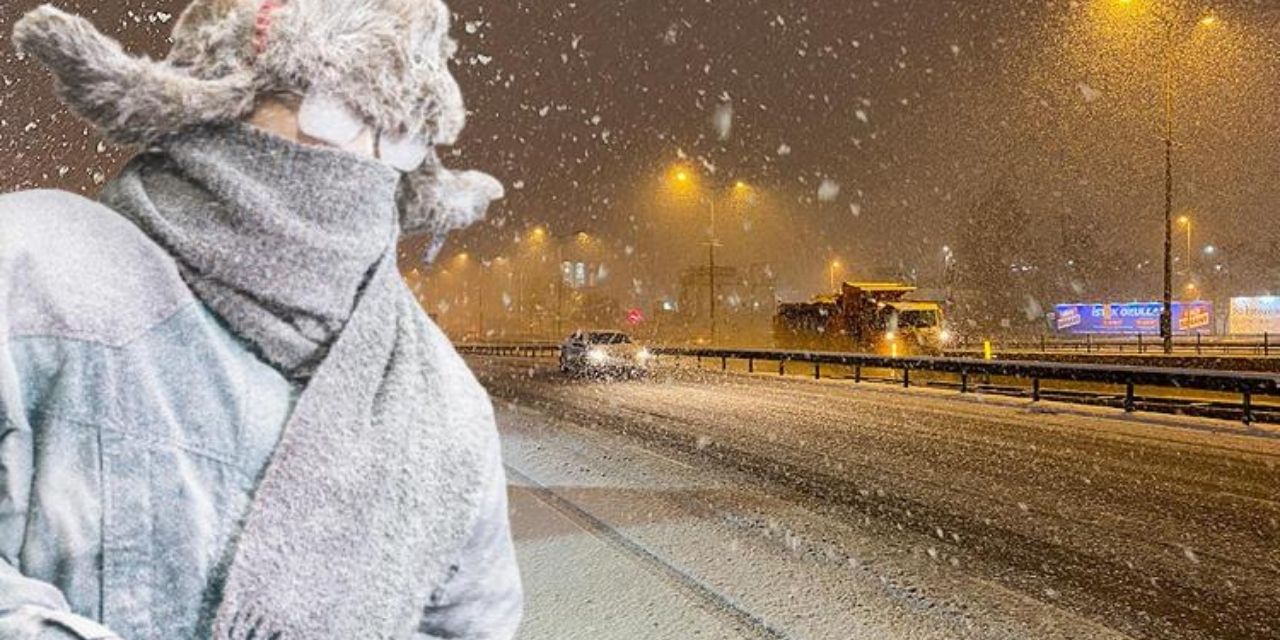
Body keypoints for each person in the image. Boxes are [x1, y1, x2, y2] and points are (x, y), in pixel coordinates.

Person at [0, 1, 521, 638]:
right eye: (334, 114)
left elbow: (469, 623)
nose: (364, 160)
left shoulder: (443, 400)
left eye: (398, 137)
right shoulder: (32, 269)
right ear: (218, 100)